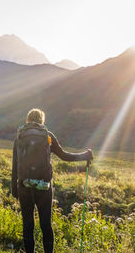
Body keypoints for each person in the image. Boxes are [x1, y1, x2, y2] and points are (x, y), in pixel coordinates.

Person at [12, 108, 93, 253]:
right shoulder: (47, 136)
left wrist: (15, 190)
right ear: (42, 121)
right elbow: (64, 156)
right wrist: (85, 155)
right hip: (44, 187)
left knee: (28, 225)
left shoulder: (20, 136)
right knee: (45, 225)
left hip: (24, 186)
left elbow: (15, 165)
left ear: (28, 120)